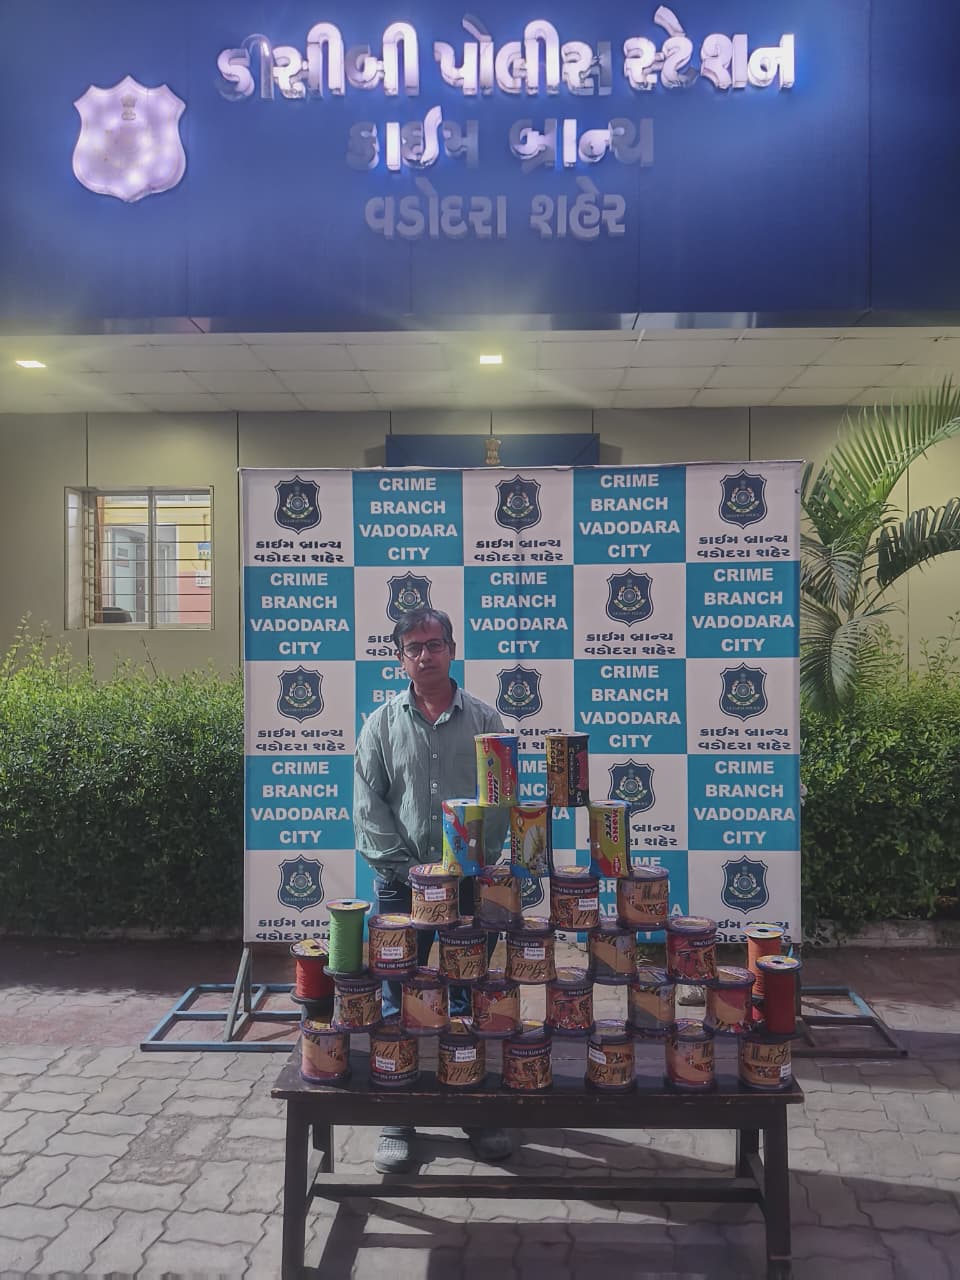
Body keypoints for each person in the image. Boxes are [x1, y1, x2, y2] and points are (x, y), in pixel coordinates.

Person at [354, 606, 513, 1174]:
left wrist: (472, 864)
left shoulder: (486, 719)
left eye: (435, 644)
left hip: (469, 887)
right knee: (398, 999)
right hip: (402, 887)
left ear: (452, 649)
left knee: (468, 996)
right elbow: (369, 807)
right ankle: (398, 1117)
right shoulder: (380, 724)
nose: (426, 655)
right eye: (414, 647)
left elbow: (500, 802)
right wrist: (410, 873)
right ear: (400, 658)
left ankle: (472, 1109)